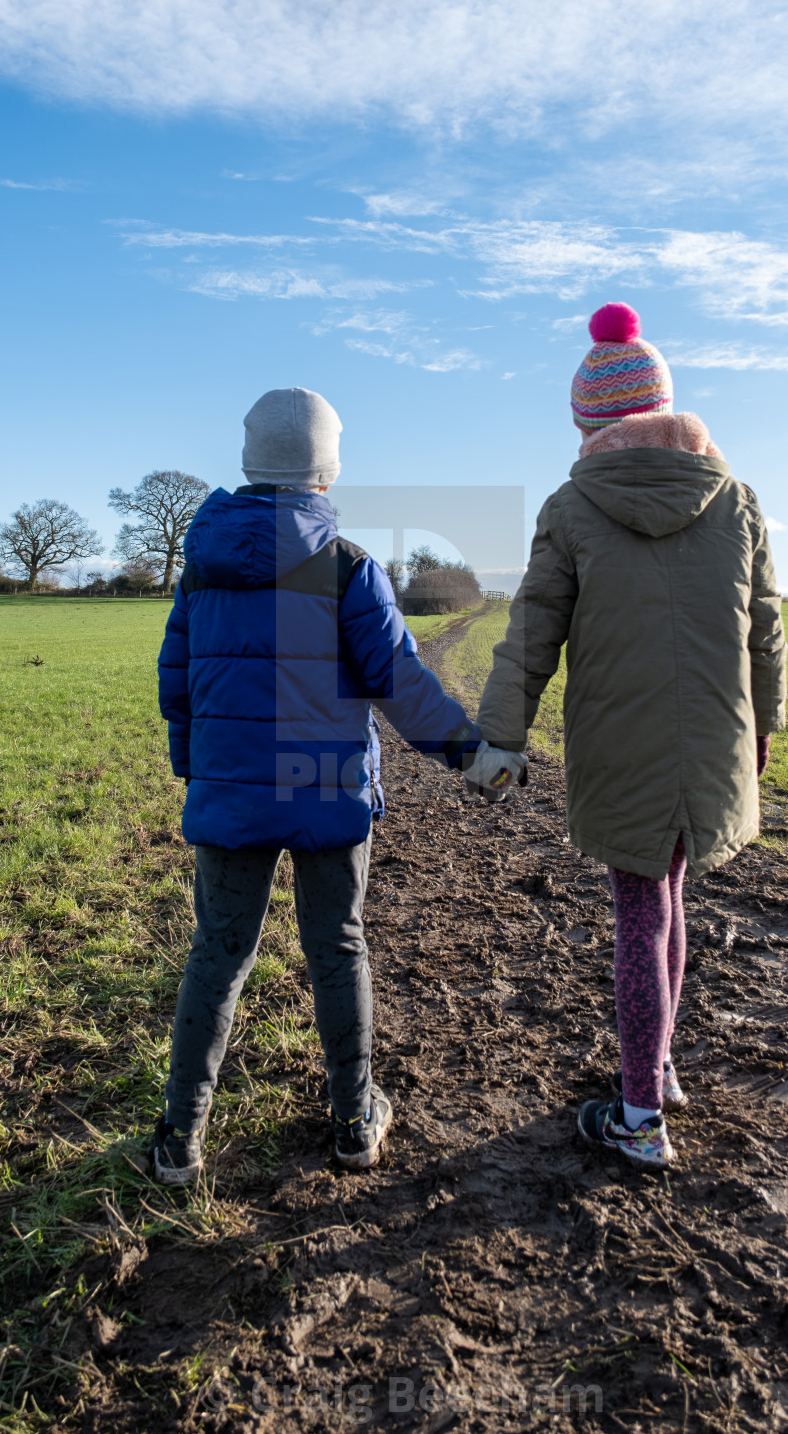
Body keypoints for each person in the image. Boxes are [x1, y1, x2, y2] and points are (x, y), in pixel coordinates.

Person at [152, 387, 525, 1182]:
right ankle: (354, 1123)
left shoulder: (200, 570)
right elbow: (402, 683)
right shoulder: (350, 566)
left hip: (229, 796)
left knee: (217, 957)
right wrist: (472, 755)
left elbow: (176, 683)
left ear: (253, 460)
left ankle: (179, 1139)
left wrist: (199, 770)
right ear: (325, 469)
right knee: (338, 947)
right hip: (324, 787)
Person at [475, 304, 787, 1168]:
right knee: (670, 900)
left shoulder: (572, 505)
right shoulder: (739, 500)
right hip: (714, 744)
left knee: (641, 913)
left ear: (589, 421)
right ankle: (662, 1066)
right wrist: (764, 728)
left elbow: (532, 629)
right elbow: (766, 630)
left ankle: (641, 1114)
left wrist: (500, 734)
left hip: (621, 744)